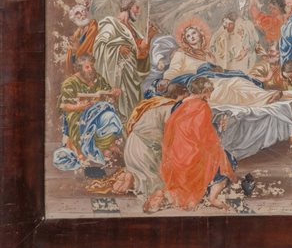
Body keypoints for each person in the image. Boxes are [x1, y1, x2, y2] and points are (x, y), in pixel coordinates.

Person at [158, 77, 237, 211]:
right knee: (228, 160)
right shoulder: (202, 106)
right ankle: (213, 197)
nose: (210, 95)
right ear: (204, 91)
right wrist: (219, 129)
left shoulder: (179, 105)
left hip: (177, 153)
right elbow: (203, 136)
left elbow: (188, 129)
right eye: (209, 92)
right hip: (193, 153)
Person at [165, 19, 283, 106]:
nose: (191, 37)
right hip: (198, 85)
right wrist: (166, 81)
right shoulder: (181, 54)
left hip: (216, 78)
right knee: (225, 88)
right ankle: (262, 100)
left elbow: (219, 70)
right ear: (185, 40)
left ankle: (266, 97)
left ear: (200, 34)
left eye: (193, 33)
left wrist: (218, 70)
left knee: (237, 80)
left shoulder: (209, 55)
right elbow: (172, 72)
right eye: (188, 36)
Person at [111, 83, 189, 209]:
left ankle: (130, 176)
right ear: (182, 95)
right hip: (145, 151)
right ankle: (153, 194)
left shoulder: (155, 102)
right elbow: (170, 132)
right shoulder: (171, 107)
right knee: (160, 180)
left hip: (131, 146)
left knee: (144, 172)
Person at [93, 0, 157, 119]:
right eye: (137, 8)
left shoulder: (133, 29)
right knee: (122, 107)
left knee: (134, 107)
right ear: (129, 6)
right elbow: (99, 46)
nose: (138, 12)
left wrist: (149, 37)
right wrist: (117, 49)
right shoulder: (112, 24)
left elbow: (139, 53)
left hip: (132, 74)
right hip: (119, 75)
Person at [56, 54, 122, 166]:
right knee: (82, 125)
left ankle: (104, 147)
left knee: (111, 117)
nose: (91, 69)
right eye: (87, 67)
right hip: (78, 113)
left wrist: (114, 93)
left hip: (98, 112)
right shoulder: (70, 82)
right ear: (80, 68)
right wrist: (80, 107)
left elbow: (108, 94)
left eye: (92, 66)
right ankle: (90, 153)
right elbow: (65, 106)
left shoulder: (97, 78)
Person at [65, 2, 98, 75]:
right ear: (74, 18)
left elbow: (88, 48)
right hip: (78, 61)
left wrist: (76, 50)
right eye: (78, 13)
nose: (82, 14)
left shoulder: (93, 27)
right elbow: (72, 48)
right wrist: (72, 51)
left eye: (83, 11)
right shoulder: (78, 31)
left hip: (88, 60)